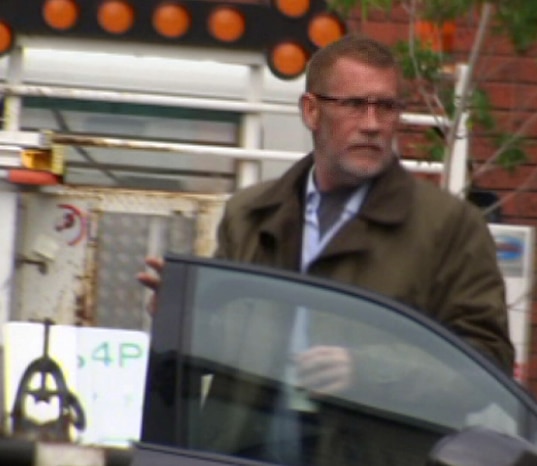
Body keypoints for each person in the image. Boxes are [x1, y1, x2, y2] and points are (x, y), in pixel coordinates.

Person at [139, 32, 514, 465]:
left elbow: (487, 364)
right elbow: (226, 347)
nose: (372, 124)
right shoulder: (251, 213)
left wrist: (367, 372)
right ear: (311, 111)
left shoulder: (450, 226)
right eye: (354, 105)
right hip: (245, 449)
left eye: (386, 106)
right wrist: (182, 315)